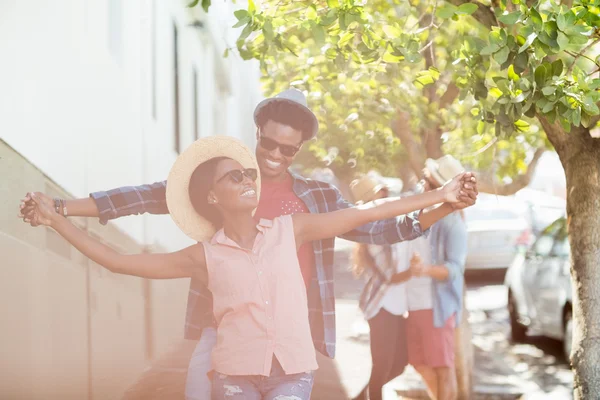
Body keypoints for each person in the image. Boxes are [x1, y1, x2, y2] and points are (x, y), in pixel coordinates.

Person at [19, 89, 478, 399]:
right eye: (269, 145)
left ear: (298, 150)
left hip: (288, 331)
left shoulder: (309, 203)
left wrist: (442, 202)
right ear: (256, 135)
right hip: (225, 324)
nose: (275, 157)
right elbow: (141, 199)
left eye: (288, 150)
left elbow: (373, 222)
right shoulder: (226, 176)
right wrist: (60, 209)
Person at [403, 155, 469, 400]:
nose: (423, 186)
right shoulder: (417, 213)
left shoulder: (453, 223)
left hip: (437, 308)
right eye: (424, 180)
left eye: (429, 183)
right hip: (414, 304)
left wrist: (425, 270)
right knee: (418, 362)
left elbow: (455, 269)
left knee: (443, 368)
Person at [349, 175, 413, 400]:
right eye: (380, 194)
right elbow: (390, 277)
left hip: (395, 305)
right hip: (381, 307)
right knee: (382, 367)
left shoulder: (388, 223)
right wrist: (415, 270)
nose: (385, 196)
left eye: (385, 193)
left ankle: (360, 398)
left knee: (400, 363)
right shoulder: (372, 232)